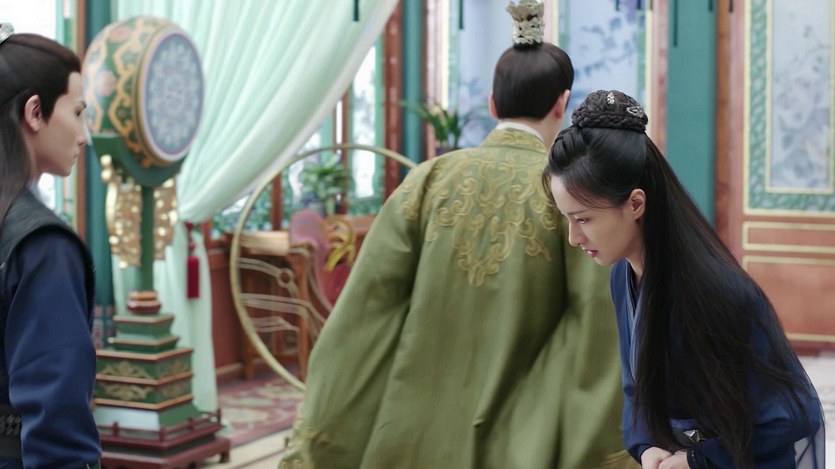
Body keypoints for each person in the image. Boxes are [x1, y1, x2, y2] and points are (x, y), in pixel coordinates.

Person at [278, 2, 635, 468]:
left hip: (413, 435)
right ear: (561, 103)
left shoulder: (426, 182)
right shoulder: (570, 196)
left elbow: (366, 311)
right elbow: (596, 325)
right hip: (523, 438)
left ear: (492, 105)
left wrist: (328, 430)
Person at [544, 89, 825, 469]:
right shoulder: (622, 276)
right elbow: (636, 390)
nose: (574, 238)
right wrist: (646, 446)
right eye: (567, 219)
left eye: (584, 219)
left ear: (636, 203)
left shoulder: (714, 292)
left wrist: (697, 460)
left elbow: (791, 413)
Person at [0, 24, 102, 468]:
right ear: (35, 112)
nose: (83, 135)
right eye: (77, 112)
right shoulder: (42, 247)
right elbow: (57, 427)